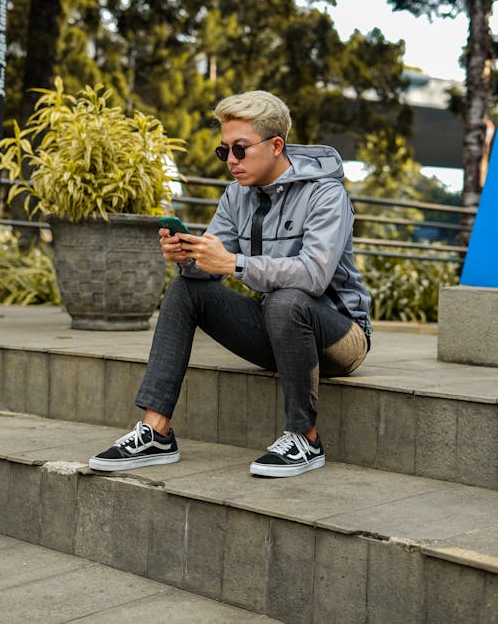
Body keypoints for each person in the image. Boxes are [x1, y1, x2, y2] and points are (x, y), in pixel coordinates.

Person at [89, 90, 371, 478]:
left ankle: (305, 438)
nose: (231, 162)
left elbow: (314, 275)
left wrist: (234, 263)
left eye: (240, 149)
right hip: (279, 331)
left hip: (340, 337)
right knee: (187, 290)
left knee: (286, 300)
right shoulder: (236, 195)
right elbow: (215, 263)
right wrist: (190, 259)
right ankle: (156, 432)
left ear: (275, 145)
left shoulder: (326, 193)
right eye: (224, 152)